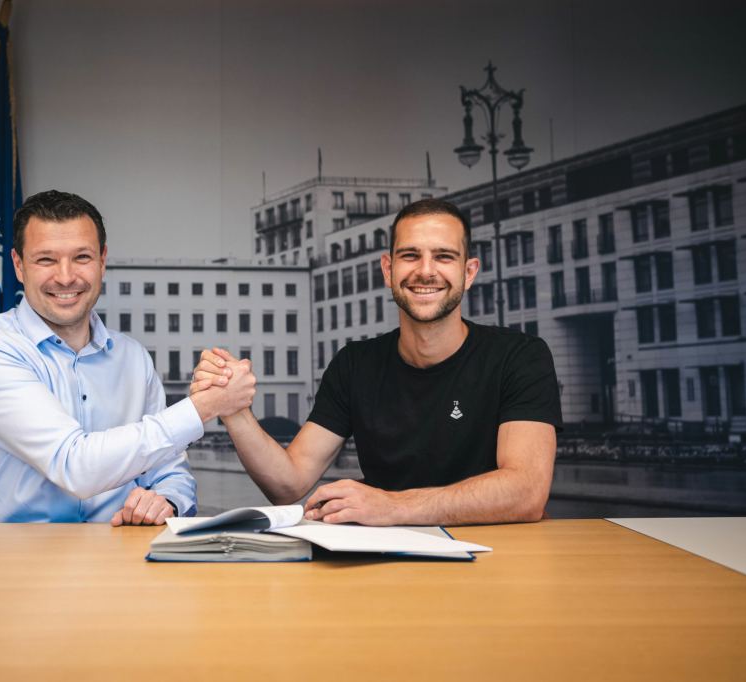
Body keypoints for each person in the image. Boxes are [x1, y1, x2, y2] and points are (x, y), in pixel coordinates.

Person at [190, 198, 562, 526]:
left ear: (469, 272)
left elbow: (526, 491)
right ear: (388, 269)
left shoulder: (519, 356)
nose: (426, 270)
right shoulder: (356, 365)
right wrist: (234, 409)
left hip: (502, 566)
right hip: (390, 565)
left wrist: (395, 506)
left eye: (444, 256)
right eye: (410, 255)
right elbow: (288, 484)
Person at [0, 190, 255, 523]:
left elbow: (170, 471)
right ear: (19, 266)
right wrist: (208, 405)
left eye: (81, 257)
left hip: (120, 562)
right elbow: (74, 465)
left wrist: (166, 501)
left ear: (102, 261)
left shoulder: (134, 358)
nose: (66, 276)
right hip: (12, 567)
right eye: (46, 259)